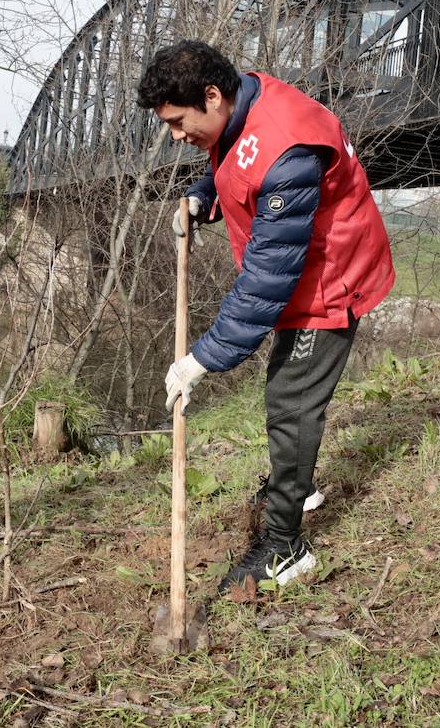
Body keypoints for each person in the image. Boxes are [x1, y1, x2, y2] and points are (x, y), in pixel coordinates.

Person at [137, 40, 394, 596]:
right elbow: (234, 157)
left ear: (211, 96)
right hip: (300, 268)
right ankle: (292, 482)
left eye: (179, 123)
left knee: (291, 400)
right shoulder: (242, 101)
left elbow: (266, 278)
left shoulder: (288, 149)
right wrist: (206, 194)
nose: (176, 137)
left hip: (330, 276)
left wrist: (204, 358)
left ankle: (285, 545)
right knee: (286, 394)